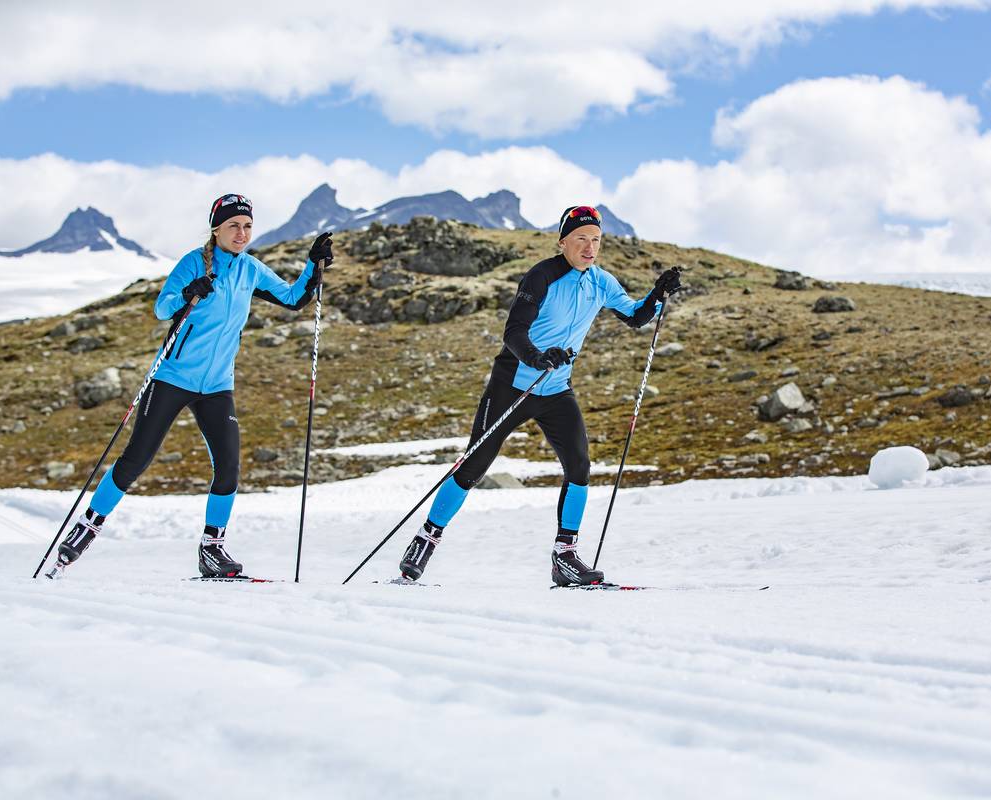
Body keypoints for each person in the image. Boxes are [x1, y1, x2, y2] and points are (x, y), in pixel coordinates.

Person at [47, 194, 334, 579]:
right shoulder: (193, 263)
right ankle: (88, 526)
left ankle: (212, 548)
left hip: (217, 386)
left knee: (229, 467)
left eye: (247, 226)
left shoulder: (250, 269)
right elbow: (162, 308)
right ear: (216, 228)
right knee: (136, 460)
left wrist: (312, 266)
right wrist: (189, 291)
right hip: (173, 379)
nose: (241, 233)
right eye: (234, 226)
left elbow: (294, 299)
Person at [397, 205, 682, 586]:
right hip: (513, 384)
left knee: (580, 467)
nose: (589, 247)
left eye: (595, 240)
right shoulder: (542, 276)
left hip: (556, 390)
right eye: (581, 239)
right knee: (473, 467)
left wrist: (658, 294)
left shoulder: (601, 282)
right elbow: (514, 332)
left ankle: (565, 557)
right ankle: (426, 539)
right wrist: (537, 356)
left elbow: (634, 316)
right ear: (562, 241)